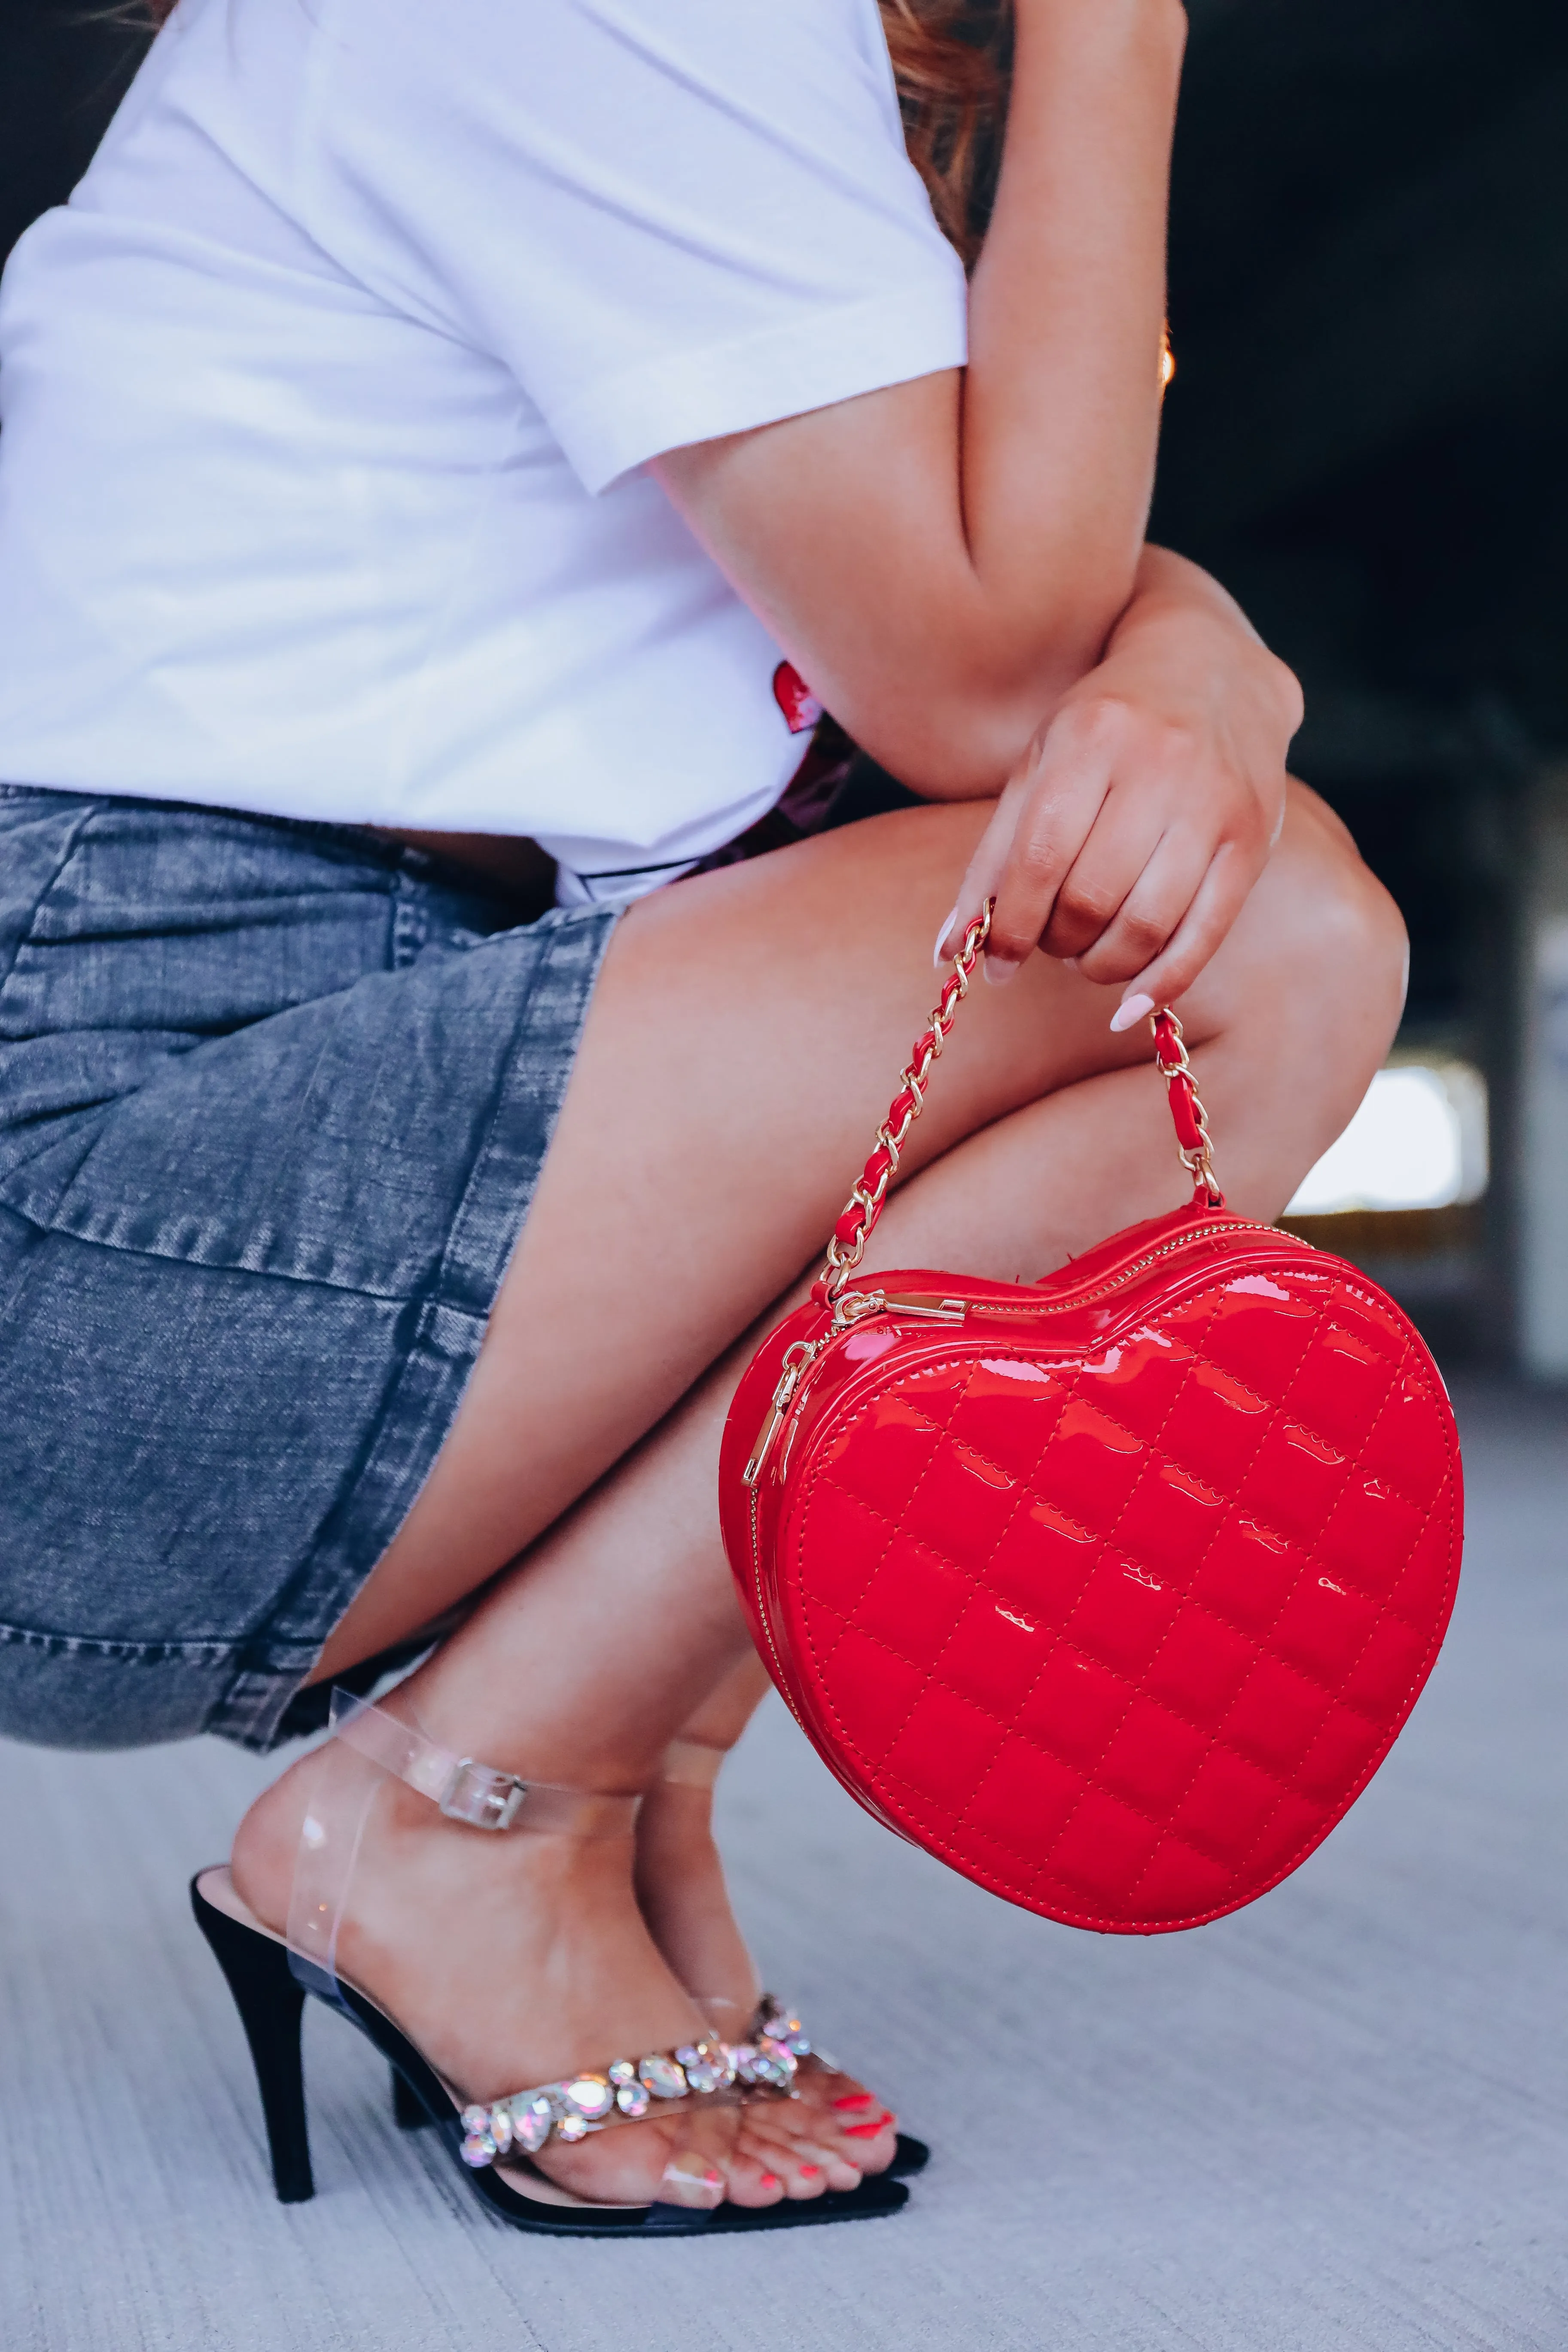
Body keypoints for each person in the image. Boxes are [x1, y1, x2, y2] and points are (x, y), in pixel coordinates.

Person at [0, 0, 1405, 2233]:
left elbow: (971, 621)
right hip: (106, 1243)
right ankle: (473, 1816)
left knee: (1229, 906)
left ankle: (579, 1773)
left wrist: (1199, 668)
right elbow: (980, 677)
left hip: (226, 1190)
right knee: (1251, 958)